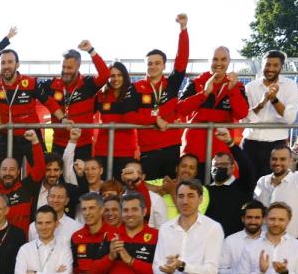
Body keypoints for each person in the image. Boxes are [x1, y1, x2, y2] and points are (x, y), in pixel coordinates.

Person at [0, 48, 58, 167]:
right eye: (3, 63)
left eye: (10, 62)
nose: (6, 66)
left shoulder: (30, 83)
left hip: (31, 135)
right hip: (7, 136)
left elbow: (49, 102)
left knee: (42, 169)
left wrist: (63, 118)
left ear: (17, 64)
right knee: (6, 174)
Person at [253, 113, 298, 239]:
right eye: (274, 159)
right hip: (264, 242)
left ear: (291, 160)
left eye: (282, 159)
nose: (278, 163)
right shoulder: (262, 182)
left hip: (293, 244)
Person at [135, 14, 189, 180]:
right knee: (151, 193)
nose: (153, 66)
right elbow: (134, 116)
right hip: (148, 150)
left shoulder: (172, 83)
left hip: (171, 147)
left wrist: (183, 30)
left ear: (164, 66)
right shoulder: (137, 88)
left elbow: (182, 59)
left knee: (170, 190)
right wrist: (155, 118)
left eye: (157, 63)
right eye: (149, 63)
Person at [177, 47, 249, 165]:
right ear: (209, 61)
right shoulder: (195, 82)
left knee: (220, 182)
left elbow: (242, 114)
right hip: (194, 147)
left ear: (229, 61)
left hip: (221, 148)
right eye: (215, 59)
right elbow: (181, 110)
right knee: (192, 183)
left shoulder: (237, 85)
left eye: (223, 59)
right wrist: (204, 94)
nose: (219, 63)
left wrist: (232, 90)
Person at [42, 41, 110, 161]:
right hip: (59, 144)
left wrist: (91, 50)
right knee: (59, 179)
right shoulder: (51, 85)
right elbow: (30, 87)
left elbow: (105, 75)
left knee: (82, 179)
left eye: (69, 67)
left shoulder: (88, 84)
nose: (66, 71)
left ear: (78, 66)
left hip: (82, 145)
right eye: (63, 67)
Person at [243, 50, 298, 177]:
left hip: (277, 144)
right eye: (267, 65)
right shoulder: (250, 87)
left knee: (275, 184)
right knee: (248, 184)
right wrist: (262, 102)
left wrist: (274, 100)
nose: (270, 68)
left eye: (275, 65)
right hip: (251, 142)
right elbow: (245, 119)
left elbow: (290, 118)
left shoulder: (290, 86)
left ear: (281, 67)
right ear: (262, 65)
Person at [104, 193, 160, 274]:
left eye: (134, 209)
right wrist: (110, 257)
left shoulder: (157, 236)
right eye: (125, 210)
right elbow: (96, 272)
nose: (129, 214)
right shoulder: (110, 236)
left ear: (144, 211)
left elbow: (160, 273)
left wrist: (130, 261)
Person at [205, 128, 258, 236]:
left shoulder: (243, 186)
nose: (219, 168)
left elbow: (246, 166)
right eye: (216, 165)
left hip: (236, 245)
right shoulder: (205, 191)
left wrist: (230, 143)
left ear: (233, 167)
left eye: (223, 165)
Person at [93, 61, 139, 175]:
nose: (116, 79)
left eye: (119, 75)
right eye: (112, 76)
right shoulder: (100, 95)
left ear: (125, 76)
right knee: (103, 188)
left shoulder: (133, 94)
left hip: (126, 150)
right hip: (103, 149)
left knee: (124, 187)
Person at [70, 192, 116, 274]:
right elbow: (76, 270)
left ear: (101, 210)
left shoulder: (115, 235)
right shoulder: (76, 237)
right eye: (84, 209)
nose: (87, 213)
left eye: (91, 208)